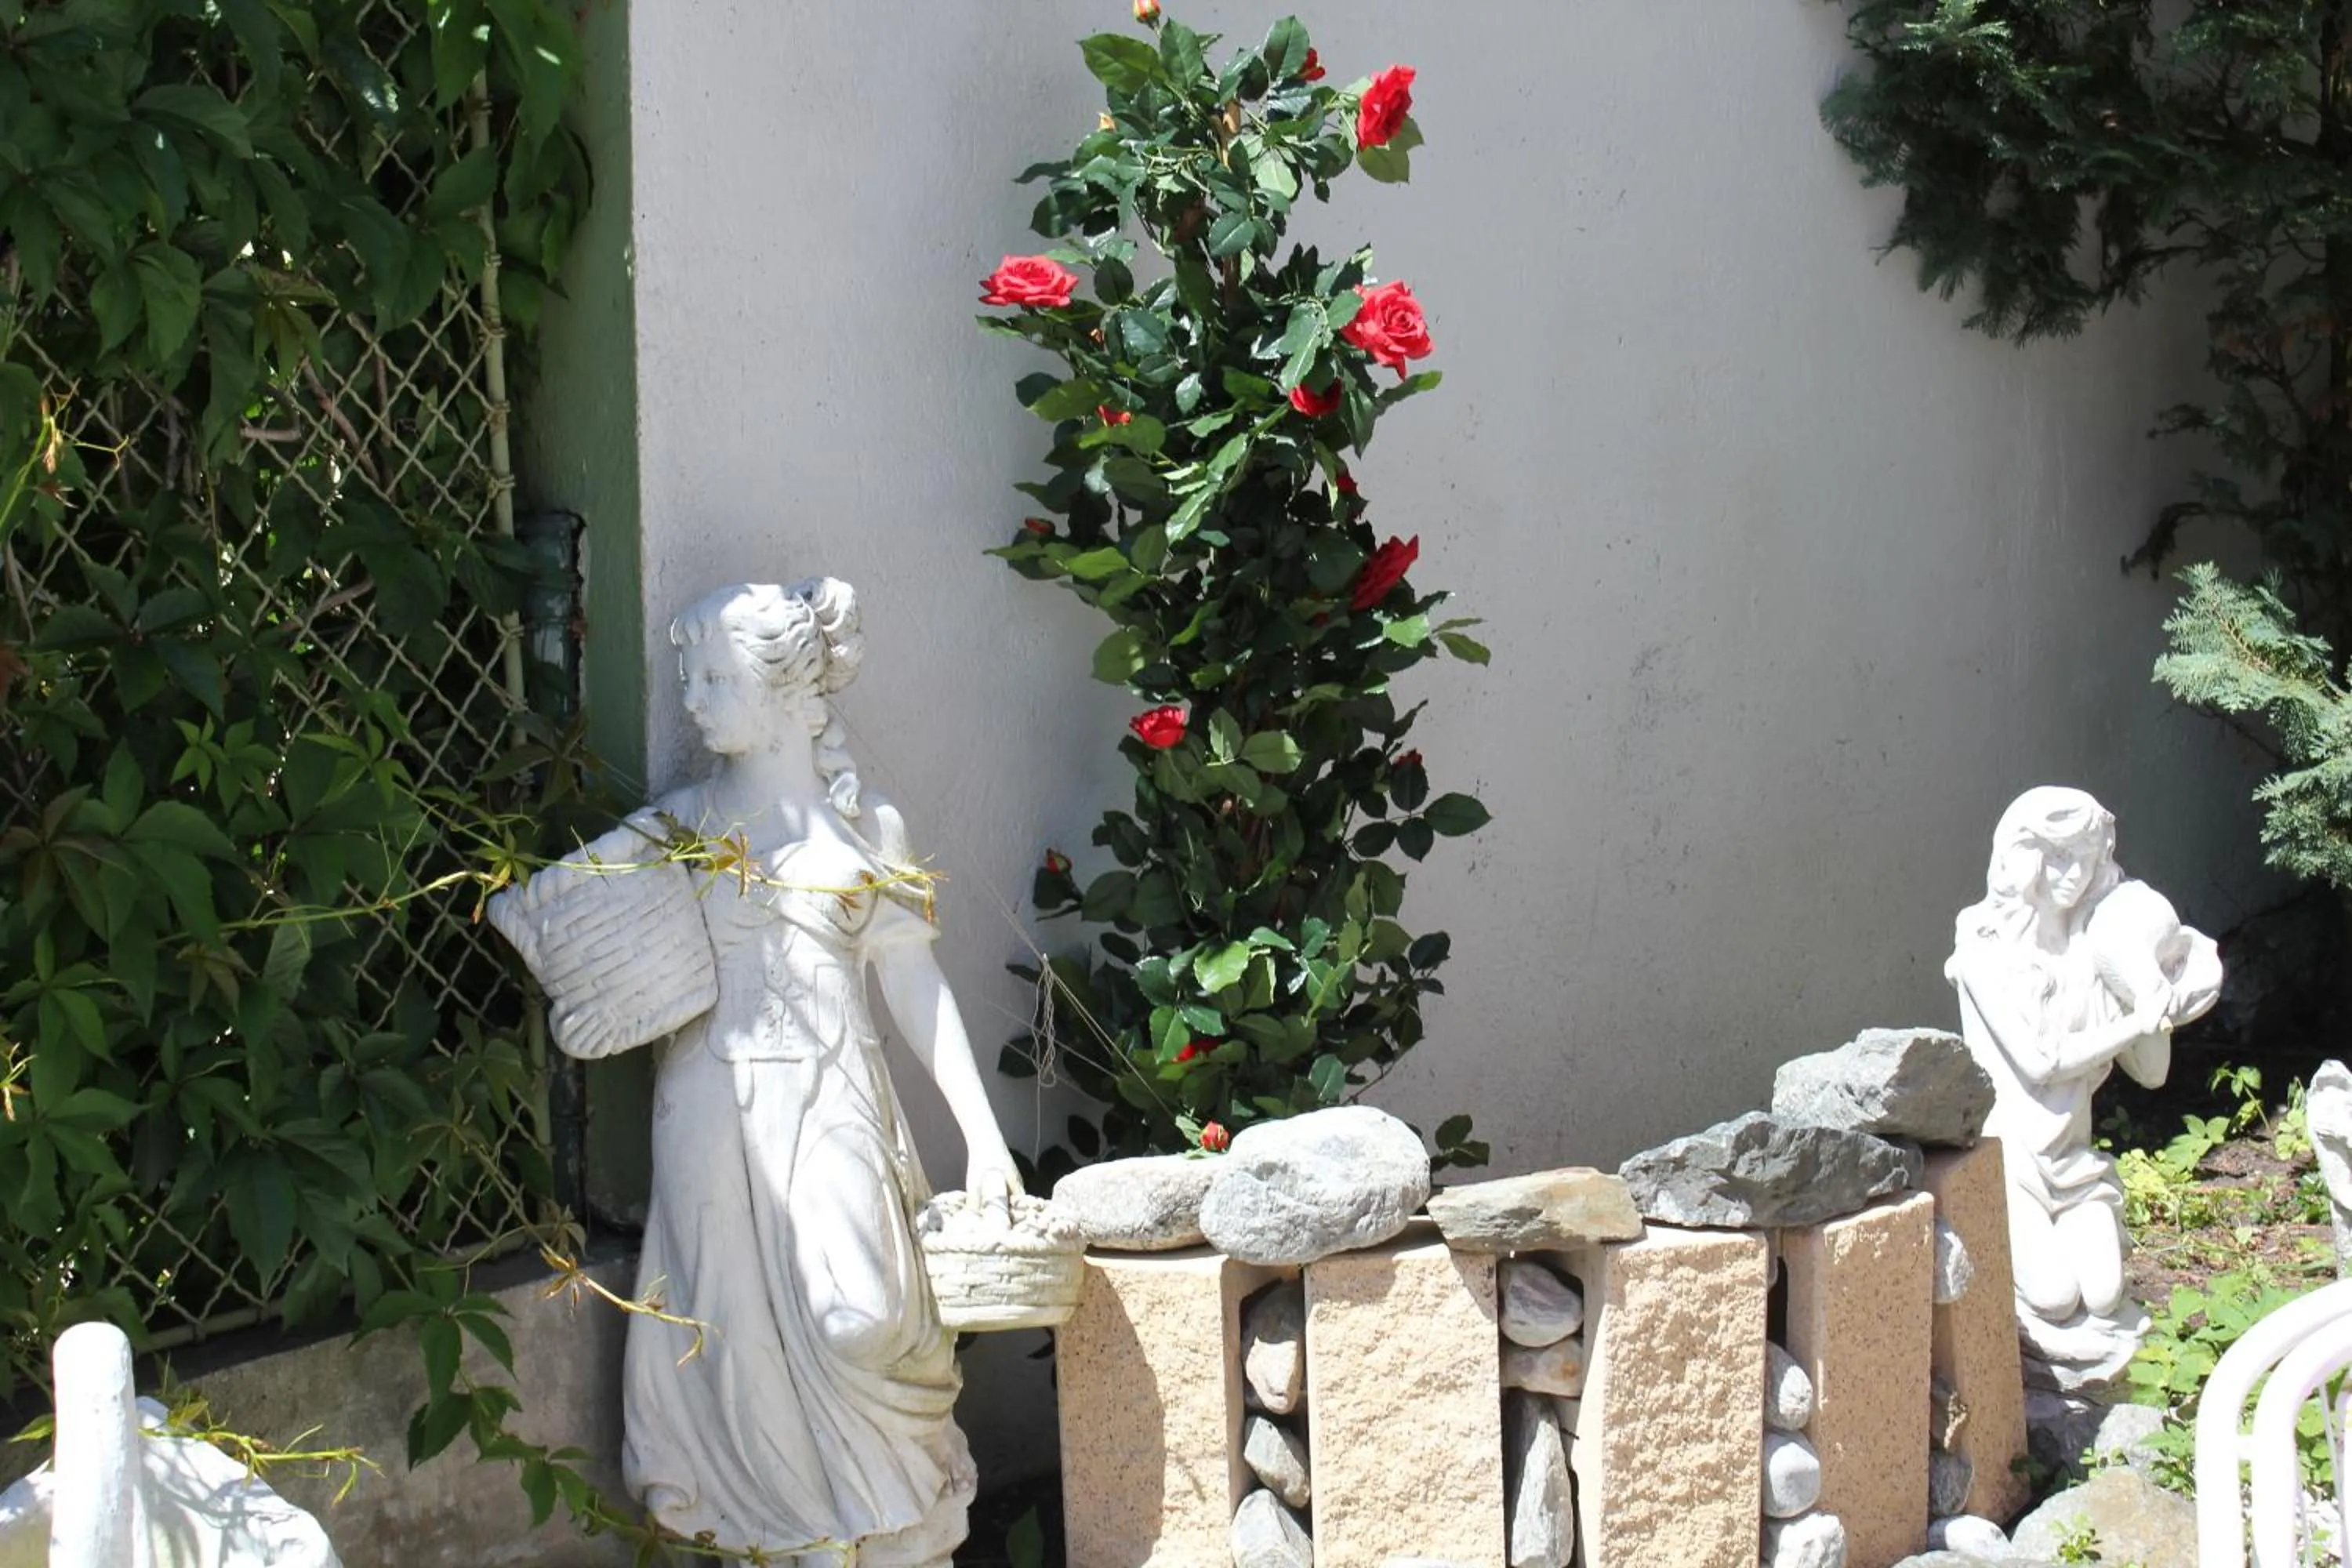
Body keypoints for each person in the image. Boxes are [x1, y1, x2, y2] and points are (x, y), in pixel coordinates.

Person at [489, 579, 1020, 1564]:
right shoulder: (672, 831)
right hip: (708, 1108)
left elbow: (915, 984)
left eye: (716, 678)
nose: (692, 698)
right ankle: (792, 1544)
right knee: (734, 1346)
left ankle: (896, 1520)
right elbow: (559, 926)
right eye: (687, 676)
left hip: (835, 1100)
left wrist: (985, 1141)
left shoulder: (872, 833)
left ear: (787, 694)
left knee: (860, 1318)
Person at [1945, 786, 2220, 1389]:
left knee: (2104, 1296)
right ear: (2022, 858)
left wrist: (2155, 983)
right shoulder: (1980, 950)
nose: (2074, 875)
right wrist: (2133, 1021)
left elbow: (2152, 1072)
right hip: (2009, 1160)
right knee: (2054, 1295)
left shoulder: (2094, 950)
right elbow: (2042, 1062)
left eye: (2088, 858)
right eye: (2058, 856)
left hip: (2074, 1162)